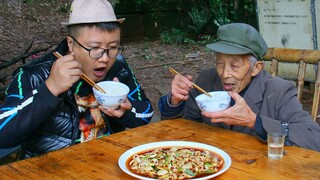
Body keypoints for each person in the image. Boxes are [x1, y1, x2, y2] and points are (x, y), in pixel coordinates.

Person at [0, 0, 153, 159]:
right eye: (94, 48)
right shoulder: (34, 74)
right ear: (71, 44)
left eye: (113, 47)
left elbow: (146, 112)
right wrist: (50, 89)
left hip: (109, 163)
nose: (105, 59)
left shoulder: (118, 67)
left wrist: (125, 113)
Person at [158, 23, 320, 151]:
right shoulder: (207, 79)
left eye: (234, 66)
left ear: (256, 68)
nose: (224, 73)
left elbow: (314, 138)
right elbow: (179, 129)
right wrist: (175, 101)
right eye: (220, 63)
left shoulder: (278, 91)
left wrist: (254, 121)